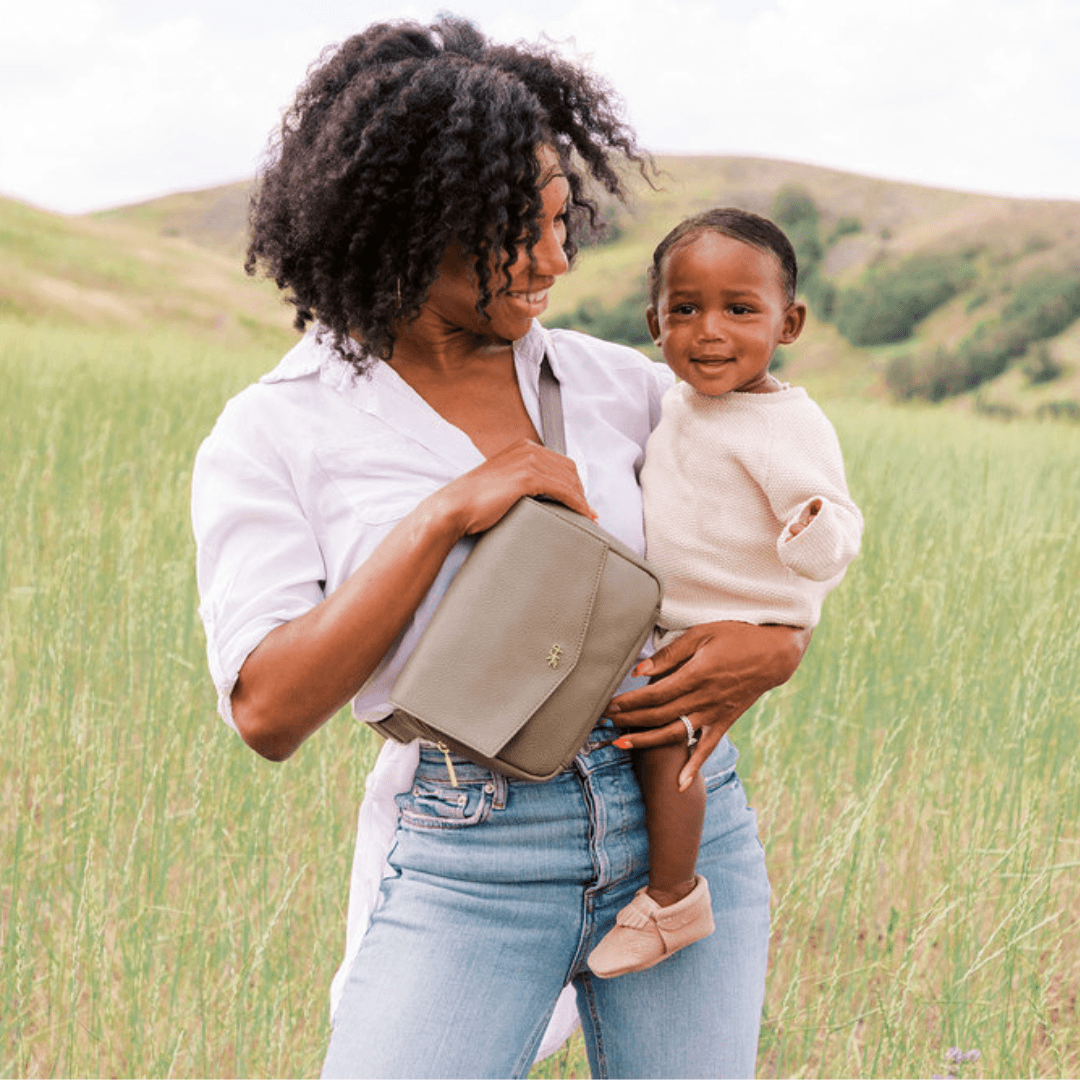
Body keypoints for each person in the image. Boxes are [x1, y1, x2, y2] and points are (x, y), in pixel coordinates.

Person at [192, 18, 810, 1080]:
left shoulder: (622, 388)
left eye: (562, 220)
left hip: (683, 823)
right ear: (410, 223)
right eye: (518, 229)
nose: (556, 258)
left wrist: (780, 647)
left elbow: (770, 524)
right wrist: (445, 515)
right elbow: (268, 711)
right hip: (473, 847)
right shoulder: (278, 430)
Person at [586, 209, 864, 980]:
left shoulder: (786, 423)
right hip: (679, 613)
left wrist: (809, 529)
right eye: (685, 309)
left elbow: (838, 525)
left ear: (788, 323)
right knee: (651, 731)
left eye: (740, 310)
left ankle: (673, 899)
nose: (709, 332)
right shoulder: (681, 400)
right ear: (655, 324)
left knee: (666, 744)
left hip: (730, 618)